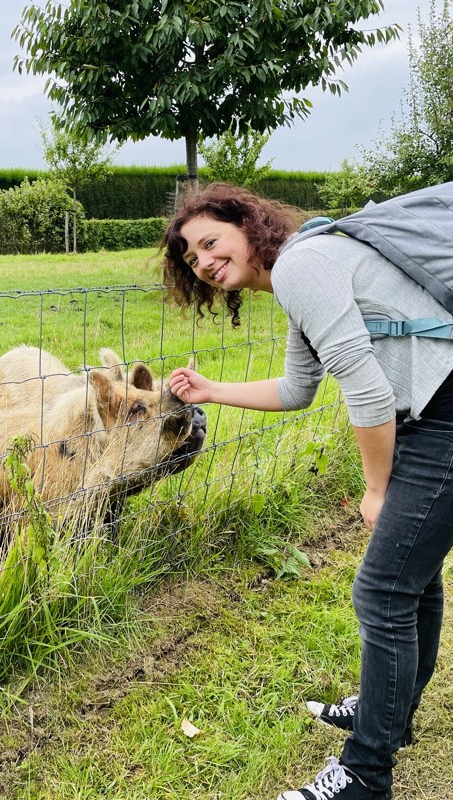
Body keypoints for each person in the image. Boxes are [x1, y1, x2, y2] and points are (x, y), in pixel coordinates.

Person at [162, 183, 453, 800]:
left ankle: (365, 775)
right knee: (412, 580)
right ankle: (388, 711)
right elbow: (299, 388)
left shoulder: (300, 265)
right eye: (192, 258)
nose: (206, 262)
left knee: (382, 590)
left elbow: (367, 392)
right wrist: (212, 390)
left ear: (246, 224)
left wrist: (375, 490)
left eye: (211, 242)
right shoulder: (301, 262)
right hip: (433, 411)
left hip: (444, 412)